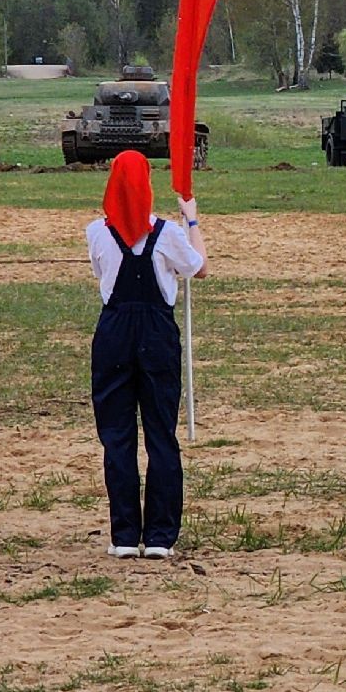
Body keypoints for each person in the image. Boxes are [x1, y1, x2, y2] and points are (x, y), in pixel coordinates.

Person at [85, 150, 207, 560]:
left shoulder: (96, 232)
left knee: (117, 436)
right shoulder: (168, 233)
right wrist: (191, 218)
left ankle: (124, 536)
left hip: (114, 333)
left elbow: (102, 277)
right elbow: (199, 267)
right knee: (160, 434)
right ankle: (158, 536)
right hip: (156, 333)